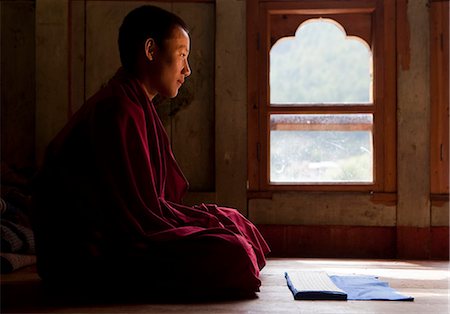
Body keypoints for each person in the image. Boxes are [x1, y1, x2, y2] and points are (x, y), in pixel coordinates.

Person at [31, 5, 270, 299]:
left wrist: (202, 222)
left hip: (124, 230)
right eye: (182, 55)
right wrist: (194, 226)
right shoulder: (116, 109)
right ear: (150, 50)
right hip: (88, 254)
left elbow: (148, 204)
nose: (187, 69)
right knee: (233, 253)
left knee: (234, 220)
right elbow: (135, 219)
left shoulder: (134, 102)